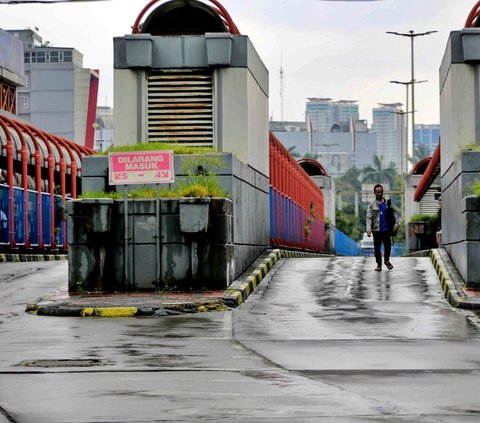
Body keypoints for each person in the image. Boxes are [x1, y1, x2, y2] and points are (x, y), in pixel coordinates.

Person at [366, 184, 400, 271]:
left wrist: (396, 224)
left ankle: (386, 261)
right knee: (377, 248)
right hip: (376, 230)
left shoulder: (388, 204)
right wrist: (369, 229)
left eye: (381, 192)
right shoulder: (371, 205)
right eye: (377, 192)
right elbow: (369, 217)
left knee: (388, 246)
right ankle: (379, 265)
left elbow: (394, 214)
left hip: (386, 230)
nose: (379, 194)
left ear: (383, 192)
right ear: (374, 193)